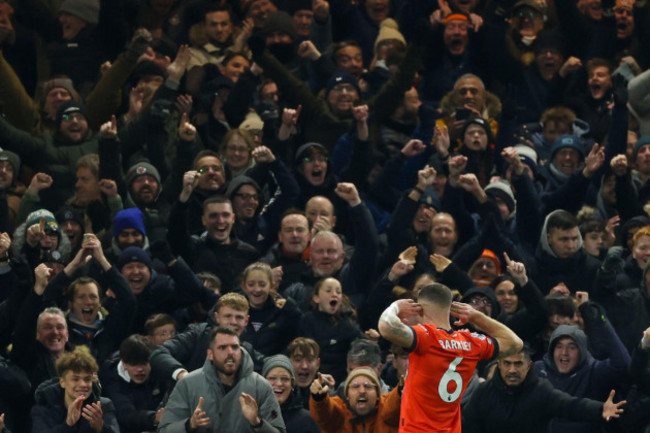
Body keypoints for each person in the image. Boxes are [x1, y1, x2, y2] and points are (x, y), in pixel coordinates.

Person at [377, 283, 523, 432]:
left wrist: (395, 306)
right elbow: (515, 343)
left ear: (419, 310)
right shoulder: (471, 342)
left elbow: (386, 326)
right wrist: (477, 317)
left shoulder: (426, 337)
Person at [462, 348, 626, 432]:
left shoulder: (540, 390)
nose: (512, 370)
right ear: (499, 365)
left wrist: (600, 409)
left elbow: (571, 405)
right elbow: (467, 427)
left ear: (528, 366)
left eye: (518, 364)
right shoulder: (484, 392)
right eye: (507, 363)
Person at [157, 326, 285, 433]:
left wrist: (257, 422)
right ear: (210, 354)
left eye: (235, 347)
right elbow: (163, 430)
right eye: (223, 347)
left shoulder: (260, 385)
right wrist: (189, 425)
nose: (230, 352)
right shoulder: (188, 384)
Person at [31, 346, 119, 433]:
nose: (83, 384)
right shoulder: (43, 410)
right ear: (62, 382)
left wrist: (101, 428)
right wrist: (68, 425)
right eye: (75, 379)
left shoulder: (103, 407)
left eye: (87, 379)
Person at [309, 366, 401, 433]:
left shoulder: (387, 411)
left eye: (367, 386)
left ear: (378, 395)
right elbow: (324, 412)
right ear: (347, 395)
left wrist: (403, 390)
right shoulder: (338, 414)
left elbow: (394, 403)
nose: (362, 391)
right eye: (355, 386)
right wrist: (319, 399)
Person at [262, 355, 320, 433]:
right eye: (272, 378)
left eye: (285, 379)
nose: (279, 383)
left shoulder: (308, 420)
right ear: (262, 382)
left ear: (292, 384)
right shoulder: (253, 415)